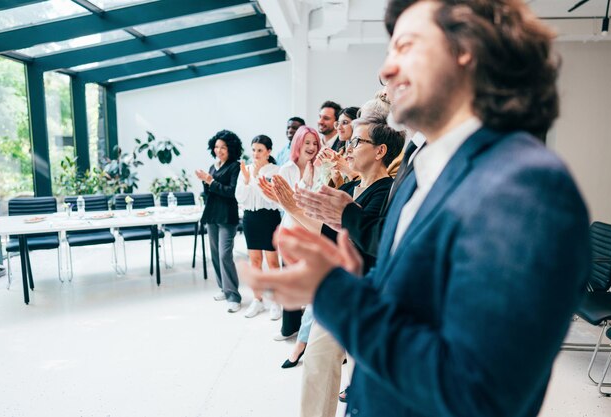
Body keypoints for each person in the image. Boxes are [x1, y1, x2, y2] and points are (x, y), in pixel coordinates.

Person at [241, 1, 591, 416]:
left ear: (466, 49)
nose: (386, 70)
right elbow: (408, 309)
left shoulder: (527, 188)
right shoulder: (421, 170)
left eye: (404, 46)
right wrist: (349, 280)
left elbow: (475, 395)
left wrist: (332, 292)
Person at [263, 117, 404, 417]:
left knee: (361, 377)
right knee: (316, 362)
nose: (349, 148)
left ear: (380, 151)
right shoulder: (352, 185)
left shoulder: (386, 191)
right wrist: (289, 204)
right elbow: (325, 232)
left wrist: (294, 206)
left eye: (357, 142)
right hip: (339, 288)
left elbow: (363, 240)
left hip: (364, 294)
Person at [271, 125, 321, 341]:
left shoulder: (321, 168)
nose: (311, 147)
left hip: (312, 229)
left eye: (314, 143)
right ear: (298, 144)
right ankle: (289, 327)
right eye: (307, 142)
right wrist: (305, 181)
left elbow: (317, 201)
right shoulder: (286, 169)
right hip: (291, 228)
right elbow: (289, 203)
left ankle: (310, 331)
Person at [195, 130, 243, 313]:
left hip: (227, 216)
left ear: (231, 148)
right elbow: (210, 193)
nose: (219, 150)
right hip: (212, 215)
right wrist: (205, 181)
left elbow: (231, 192)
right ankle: (224, 288)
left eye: (223, 147)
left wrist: (210, 181)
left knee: (225, 255)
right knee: (215, 254)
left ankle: (234, 296)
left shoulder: (235, 167)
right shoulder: (213, 166)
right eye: (216, 147)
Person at [235, 135, 282, 320]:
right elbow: (240, 197)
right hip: (250, 218)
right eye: (253, 149)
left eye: (260, 150)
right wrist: (247, 180)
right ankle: (257, 300)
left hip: (269, 217)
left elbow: (271, 197)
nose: (255, 153)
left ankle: (276, 301)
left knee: (272, 262)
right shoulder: (245, 170)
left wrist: (253, 179)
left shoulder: (275, 171)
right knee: (254, 261)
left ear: (268, 152)